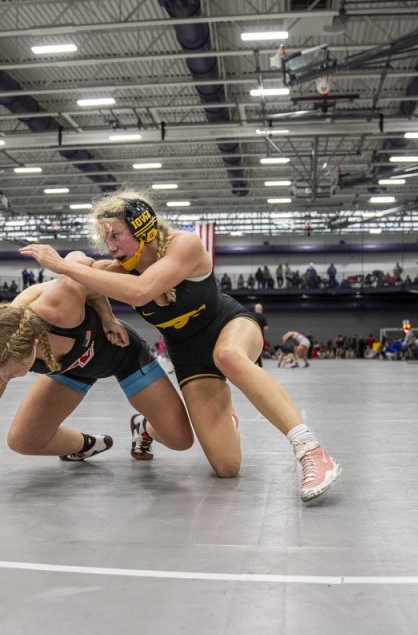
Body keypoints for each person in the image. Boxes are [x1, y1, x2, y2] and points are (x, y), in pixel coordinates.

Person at [21, 192, 340, 502]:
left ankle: (310, 449)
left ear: (143, 229)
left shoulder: (184, 245)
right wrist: (106, 318)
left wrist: (62, 265)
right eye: (106, 239)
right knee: (227, 467)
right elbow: (83, 275)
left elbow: (140, 291)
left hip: (229, 326)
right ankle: (145, 427)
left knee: (227, 356)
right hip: (188, 355)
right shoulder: (118, 270)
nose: (111, 246)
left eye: (116, 235)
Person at [0, 260, 194, 492]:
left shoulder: (57, 304)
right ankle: (84, 445)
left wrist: (106, 315)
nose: (6, 377)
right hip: (73, 371)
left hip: (122, 353)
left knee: (180, 440)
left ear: (35, 343)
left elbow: (86, 267)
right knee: (23, 439)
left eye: (11, 370)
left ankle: (143, 429)